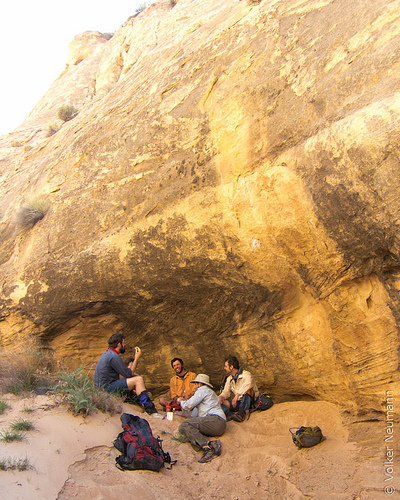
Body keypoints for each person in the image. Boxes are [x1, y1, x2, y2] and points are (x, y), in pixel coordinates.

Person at [93, 332, 161, 417]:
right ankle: (152, 411)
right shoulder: (113, 356)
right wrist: (136, 358)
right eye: (123, 343)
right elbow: (128, 374)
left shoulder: (107, 354)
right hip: (106, 388)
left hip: (101, 388)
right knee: (138, 380)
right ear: (119, 344)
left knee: (135, 389)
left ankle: (140, 404)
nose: (125, 345)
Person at [178, 374, 226, 463]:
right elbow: (194, 415)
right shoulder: (210, 393)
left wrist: (180, 401)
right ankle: (207, 446)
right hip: (218, 422)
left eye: (196, 384)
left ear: (199, 384)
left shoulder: (202, 390)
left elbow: (187, 405)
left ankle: (208, 445)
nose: (195, 386)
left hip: (215, 420)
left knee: (185, 425)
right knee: (186, 426)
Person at [218, 355, 259, 422]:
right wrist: (221, 397)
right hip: (238, 403)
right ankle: (229, 415)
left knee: (249, 390)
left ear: (231, 367)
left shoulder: (247, 375)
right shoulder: (229, 379)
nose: (224, 368)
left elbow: (248, 385)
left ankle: (241, 415)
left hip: (249, 402)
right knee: (218, 400)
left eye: (226, 366)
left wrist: (237, 395)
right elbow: (226, 392)